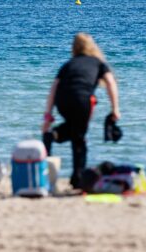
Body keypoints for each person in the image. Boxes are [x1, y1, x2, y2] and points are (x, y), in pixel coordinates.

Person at [42, 33, 120, 189]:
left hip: (62, 101)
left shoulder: (69, 64)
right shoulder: (98, 63)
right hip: (81, 100)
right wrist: (115, 108)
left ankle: (53, 135)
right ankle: (78, 179)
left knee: (73, 130)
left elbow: (54, 87)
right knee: (79, 139)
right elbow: (111, 83)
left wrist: (48, 115)